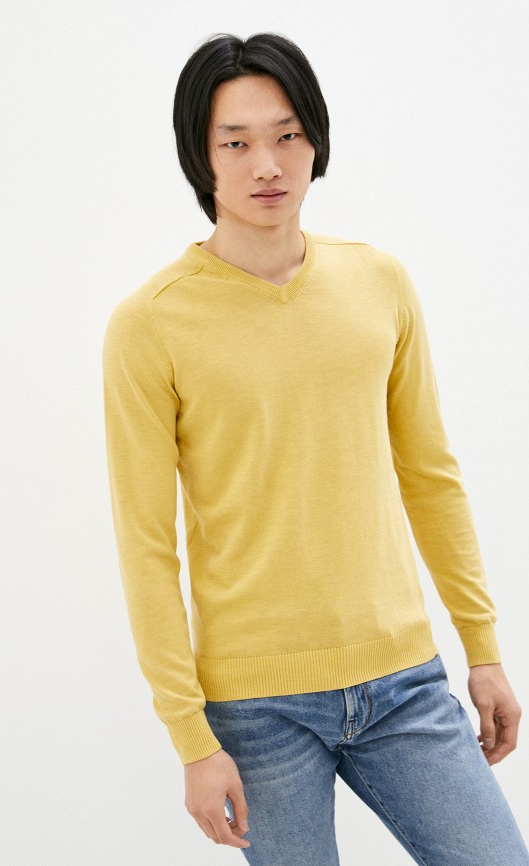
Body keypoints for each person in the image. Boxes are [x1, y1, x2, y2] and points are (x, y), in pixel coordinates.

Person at [102, 31, 529, 865]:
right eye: (236, 143)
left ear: (315, 141)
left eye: (287, 135)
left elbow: (430, 477)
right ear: (201, 157)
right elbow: (146, 546)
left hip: (403, 680)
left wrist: (482, 651)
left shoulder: (379, 282)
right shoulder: (149, 324)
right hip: (255, 709)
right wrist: (190, 737)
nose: (267, 164)